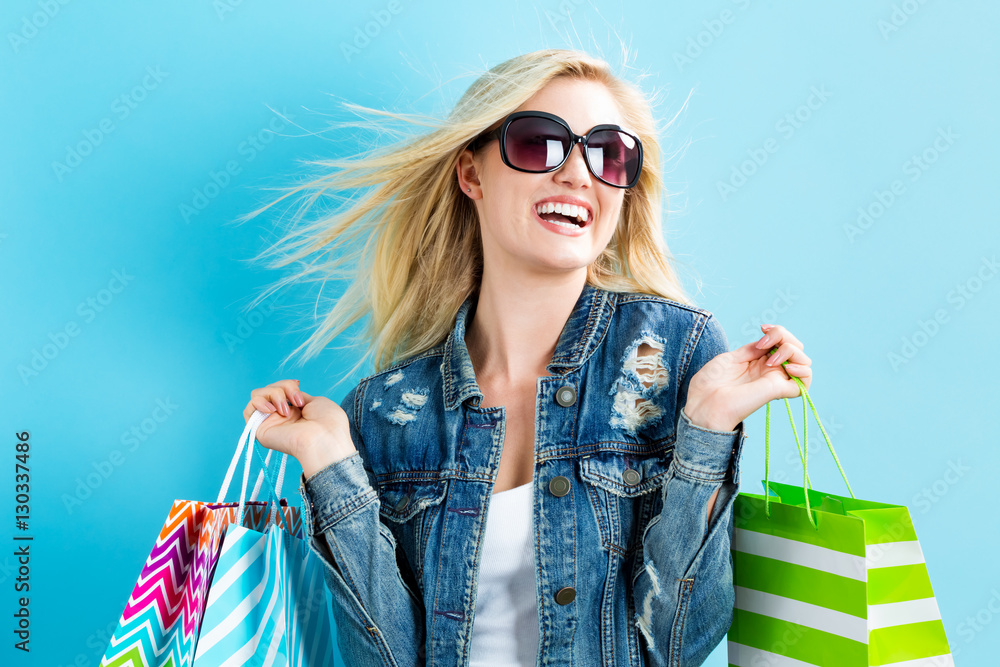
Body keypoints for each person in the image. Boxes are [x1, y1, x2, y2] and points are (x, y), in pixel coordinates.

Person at [241, 49, 811, 667]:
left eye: (608, 153)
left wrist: (706, 433)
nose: (577, 175)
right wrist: (330, 463)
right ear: (472, 175)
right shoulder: (384, 413)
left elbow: (680, 644)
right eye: (541, 144)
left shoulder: (671, 358)